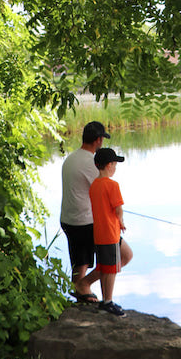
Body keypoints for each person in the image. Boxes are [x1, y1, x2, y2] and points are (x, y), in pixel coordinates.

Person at [60, 121, 110, 303]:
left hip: (68, 219)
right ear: (98, 140)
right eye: (102, 139)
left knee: (79, 261)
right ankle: (85, 286)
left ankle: (80, 297)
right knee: (120, 256)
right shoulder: (91, 162)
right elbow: (103, 191)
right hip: (85, 222)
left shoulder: (71, 158)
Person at [89, 147, 133, 317]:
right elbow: (118, 209)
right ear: (108, 165)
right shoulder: (112, 185)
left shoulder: (94, 185)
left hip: (99, 233)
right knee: (111, 269)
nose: (115, 168)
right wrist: (121, 221)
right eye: (115, 164)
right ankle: (108, 302)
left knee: (104, 267)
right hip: (110, 233)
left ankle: (104, 301)